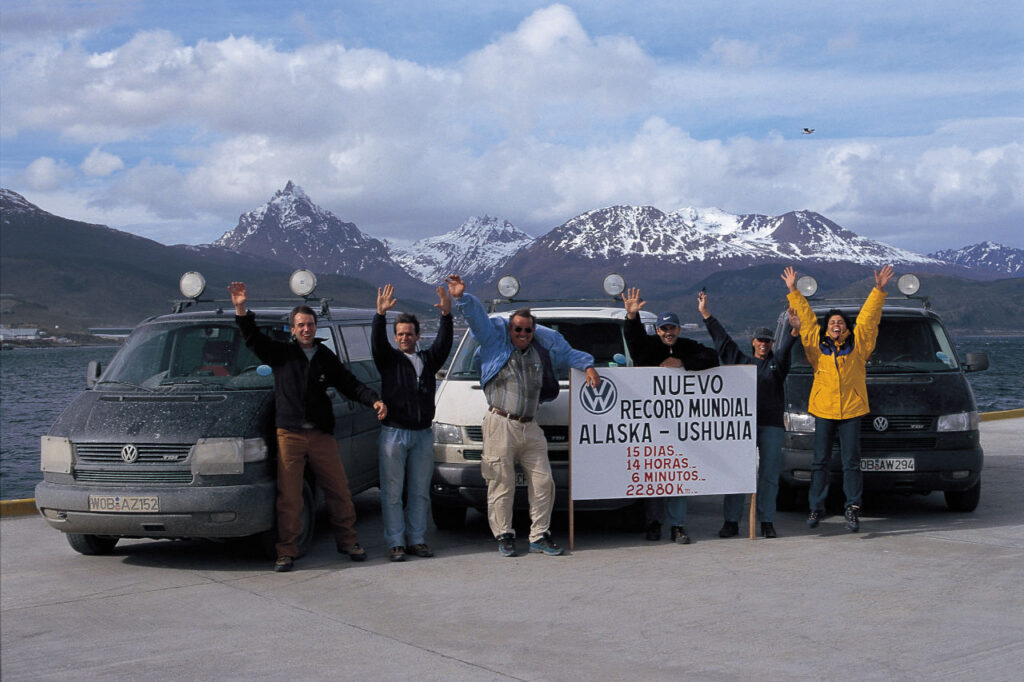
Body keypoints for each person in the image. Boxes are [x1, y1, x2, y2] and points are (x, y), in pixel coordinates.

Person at [229, 281, 387, 572]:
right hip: (289, 434)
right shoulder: (280, 354)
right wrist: (241, 309)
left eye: (310, 324)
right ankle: (286, 551)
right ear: (292, 329)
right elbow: (252, 339)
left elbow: (350, 383)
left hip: (320, 434)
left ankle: (348, 541)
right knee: (290, 495)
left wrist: (374, 400)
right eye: (300, 325)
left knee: (339, 489)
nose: (306, 329)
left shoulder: (325, 357)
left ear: (316, 327)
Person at [445, 274, 601, 557]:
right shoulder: (495, 345)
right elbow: (478, 321)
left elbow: (568, 354)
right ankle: (504, 535)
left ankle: (539, 535)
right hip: (499, 423)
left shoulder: (541, 351)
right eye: (517, 329)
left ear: (533, 331)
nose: (522, 334)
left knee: (544, 482)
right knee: (501, 482)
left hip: (530, 427)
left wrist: (588, 366)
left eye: (527, 330)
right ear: (509, 330)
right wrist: (462, 298)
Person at [782, 265, 893, 532]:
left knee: (851, 462)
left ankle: (852, 508)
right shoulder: (815, 350)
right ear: (827, 328)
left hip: (852, 411)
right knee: (819, 461)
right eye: (832, 323)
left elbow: (868, 320)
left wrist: (878, 291)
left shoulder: (859, 347)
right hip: (823, 410)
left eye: (840, 323)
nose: (835, 325)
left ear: (845, 327)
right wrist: (793, 291)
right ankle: (815, 507)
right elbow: (807, 321)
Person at [698, 290, 800, 538]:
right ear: (753, 342)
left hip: (772, 425)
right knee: (737, 473)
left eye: (768, 341)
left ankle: (766, 520)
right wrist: (705, 314)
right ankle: (731, 521)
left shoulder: (777, 365)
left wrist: (794, 332)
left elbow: (786, 349)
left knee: (769, 475)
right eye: (760, 341)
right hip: (743, 426)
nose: (764, 344)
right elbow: (722, 341)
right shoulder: (740, 361)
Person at [621, 287, 719, 544]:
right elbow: (633, 341)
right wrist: (632, 318)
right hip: (651, 423)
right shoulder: (648, 347)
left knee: (677, 475)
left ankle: (678, 525)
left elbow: (712, 356)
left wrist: (684, 364)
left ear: (679, 330)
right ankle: (654, 523)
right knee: (655, 475)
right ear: (657, 330)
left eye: (672, 328)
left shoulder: (687, 347)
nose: (668, 333)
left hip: (680, 426)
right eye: (664, 329)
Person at [371, 282, 453, 562]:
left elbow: (444, 344)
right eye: (400, 334)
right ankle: (395, 542)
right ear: (395, 337)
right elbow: (377, 344)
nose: (404, 338)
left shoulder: (427, 361)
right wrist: (380, 316)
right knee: (393, 492)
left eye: (409, 334)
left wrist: (446, 315)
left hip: (421, 435)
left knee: (419, 492)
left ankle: (417, 539)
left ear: (418, 336)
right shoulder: (388, 360)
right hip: (394, 434)